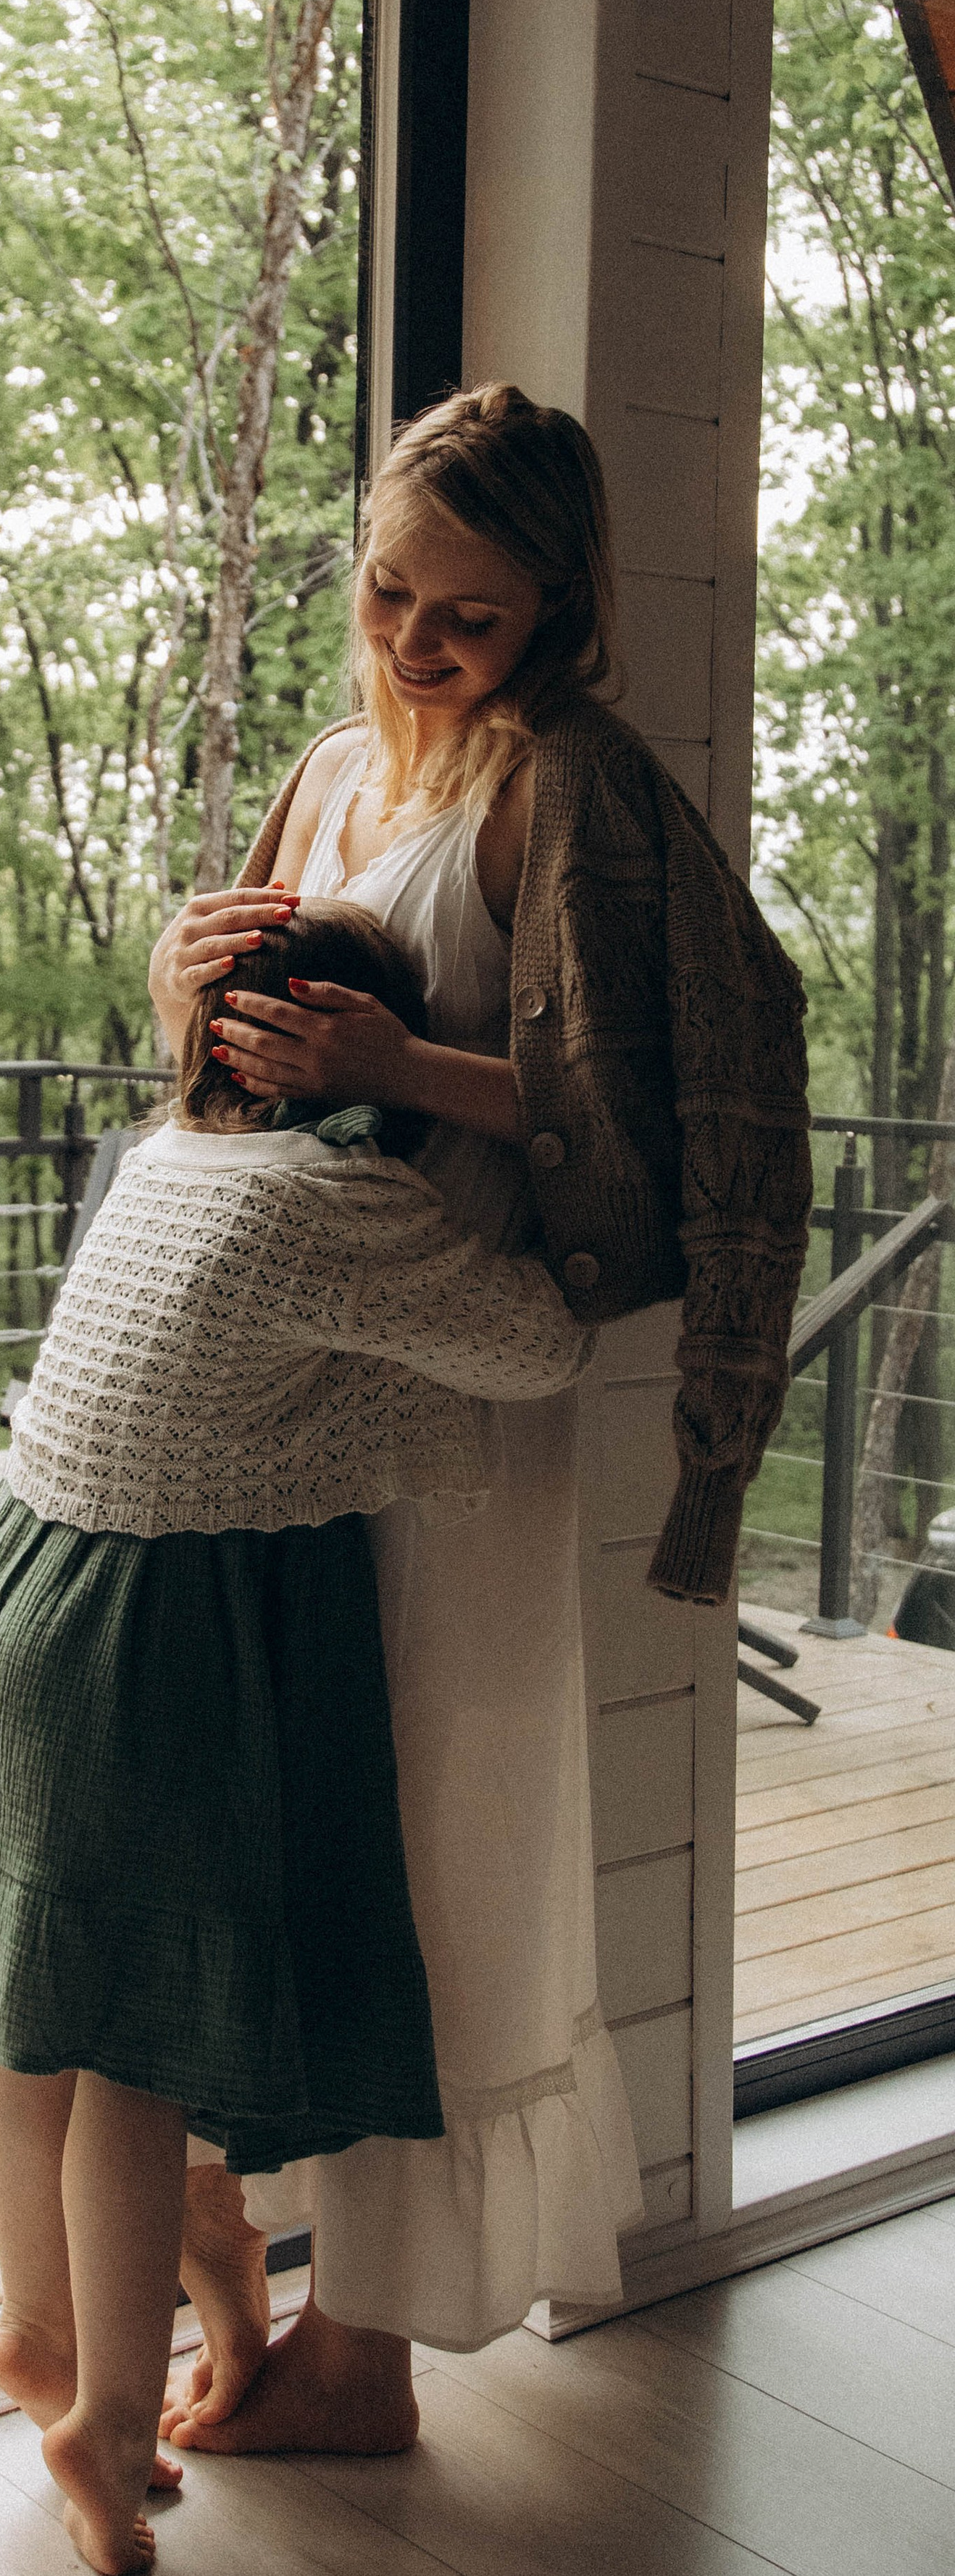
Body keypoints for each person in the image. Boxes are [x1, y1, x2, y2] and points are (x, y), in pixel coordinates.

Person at [147, 382, 812, 2459]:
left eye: (471, 615)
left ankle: (378, 2339)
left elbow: (664, 1115)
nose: (414, 641)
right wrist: (186, 986)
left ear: (560, 610)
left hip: (458, 1391)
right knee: (284, 1825)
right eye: (387, 591)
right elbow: (244, 1069)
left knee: (440, 1839)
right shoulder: (339, 763)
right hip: (281, 1387)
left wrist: (403, 1060)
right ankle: (254, 2270)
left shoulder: (575, 791)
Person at [0, 899, 593, 2576]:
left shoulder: (164, 1156)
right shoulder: (334, 1194)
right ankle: (104, 2430)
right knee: (139, 2051)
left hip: (16, 1594)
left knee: (32, 2015)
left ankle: (36, 2326)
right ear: (363, 1052)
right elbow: (534, 1345)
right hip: (156, 1633)